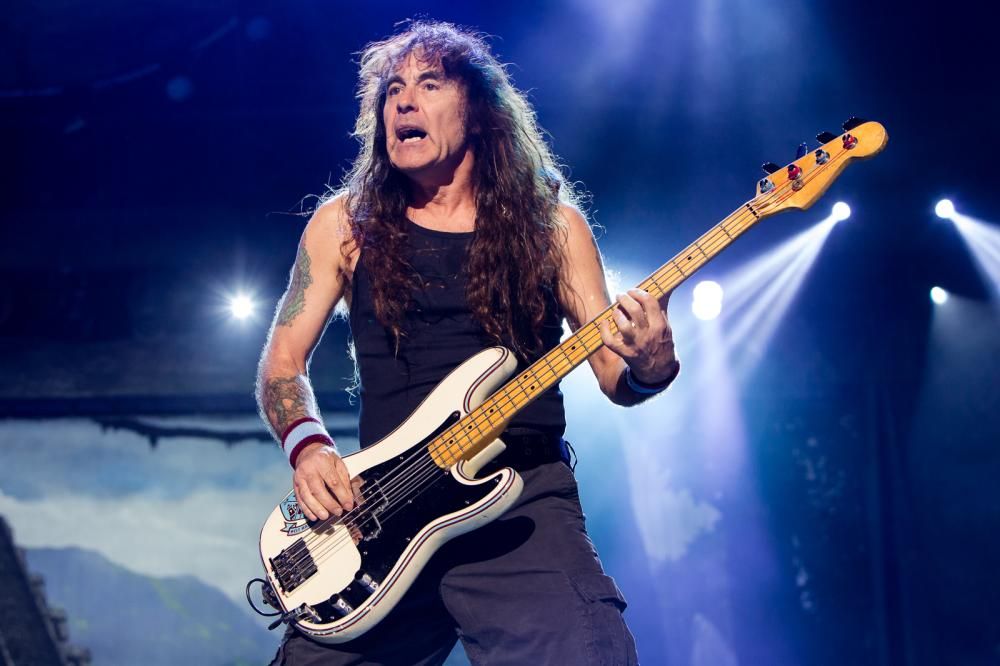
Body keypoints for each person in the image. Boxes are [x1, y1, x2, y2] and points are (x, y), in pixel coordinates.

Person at [256, 20, 679, 666]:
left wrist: (651, 364)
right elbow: (283, 364)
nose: (404, 102)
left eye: (429, 84)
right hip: (383, 514)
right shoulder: (344, 226)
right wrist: (308, 447)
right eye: (393, 90)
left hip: (520, 503)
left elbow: (612, 374)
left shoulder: (552, 229)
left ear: (478, 111)